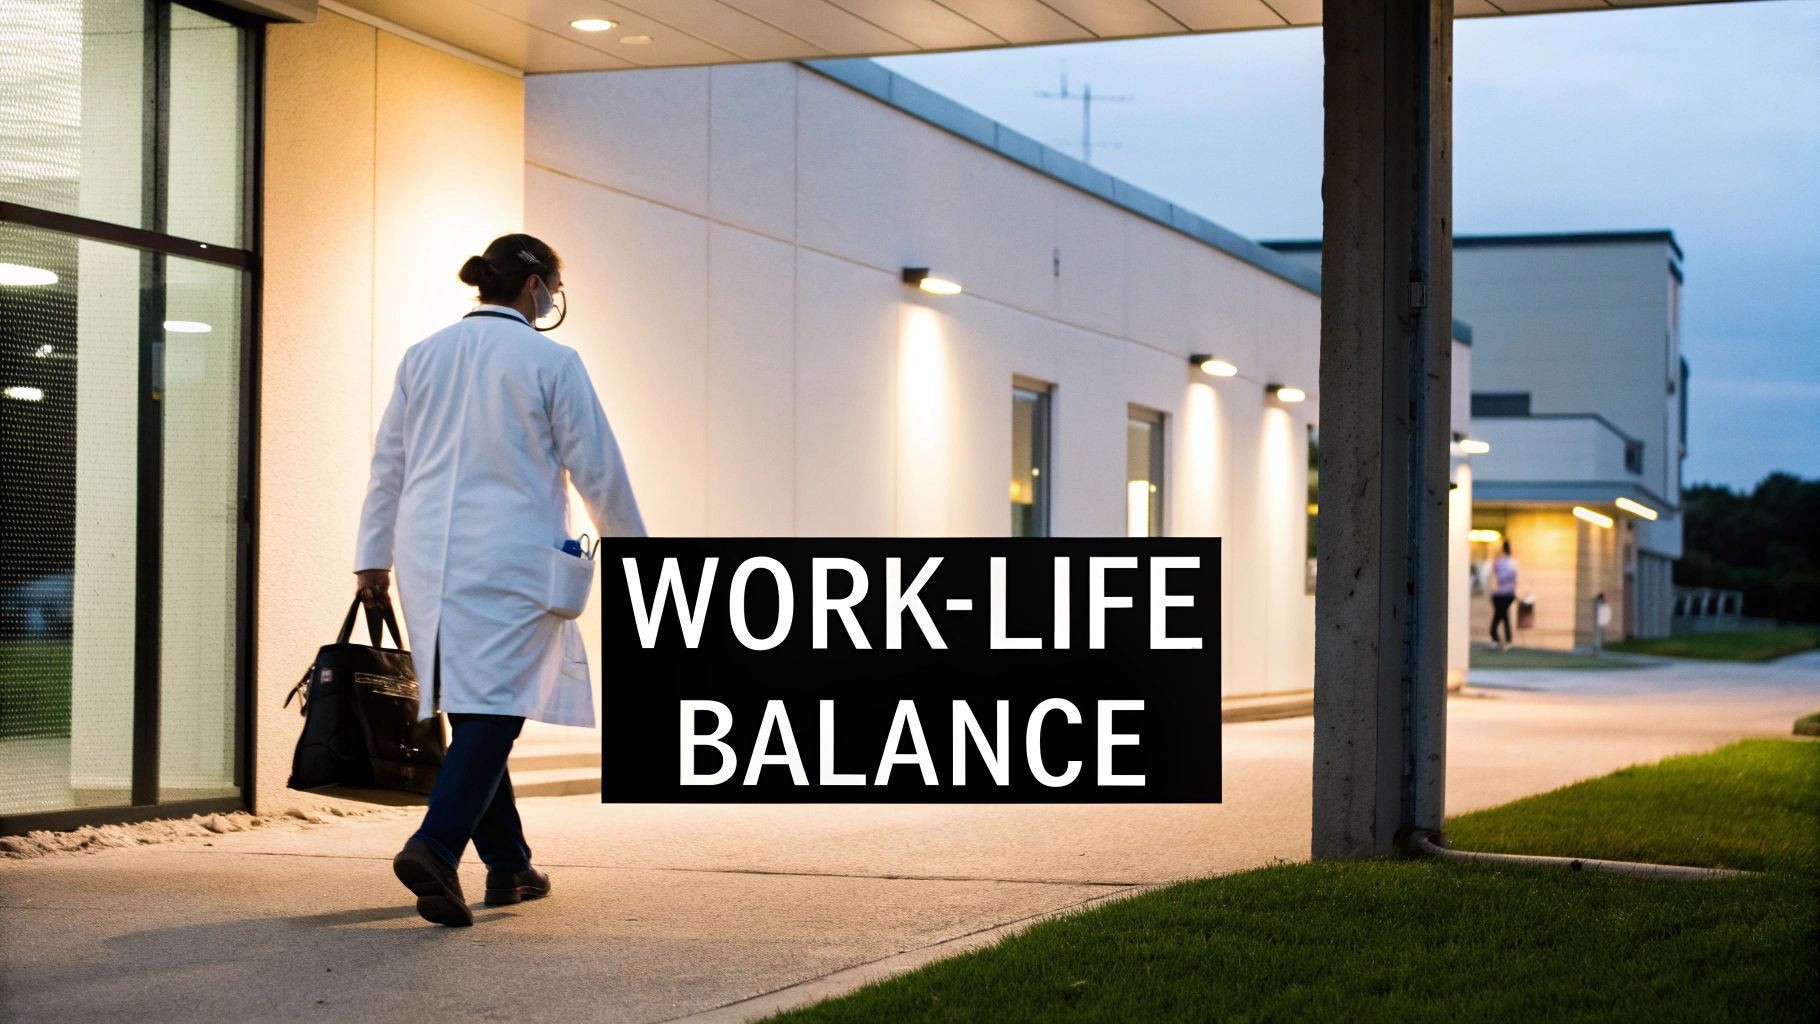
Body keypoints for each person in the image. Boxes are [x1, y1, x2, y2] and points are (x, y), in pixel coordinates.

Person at [352, 233, 646, 927]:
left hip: (429, 559)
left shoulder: (422, 356)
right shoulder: (551, 360)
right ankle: (435, 845)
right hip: (512, 560)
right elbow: (596, 466)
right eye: (553, 287)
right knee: (500, 705)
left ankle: (510, 866)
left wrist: (372, 557)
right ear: (537, 286)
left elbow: (386, 466)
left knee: (476, 705)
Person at [1489, 540, 1518, 651]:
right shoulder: (1511, 562)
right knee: (1504, 616)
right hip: (1507, 593)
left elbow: (1498, 574)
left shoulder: (1502, 562)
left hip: (1503, 594)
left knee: (1499, 616)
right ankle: (1506, 640)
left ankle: (1496, 637)